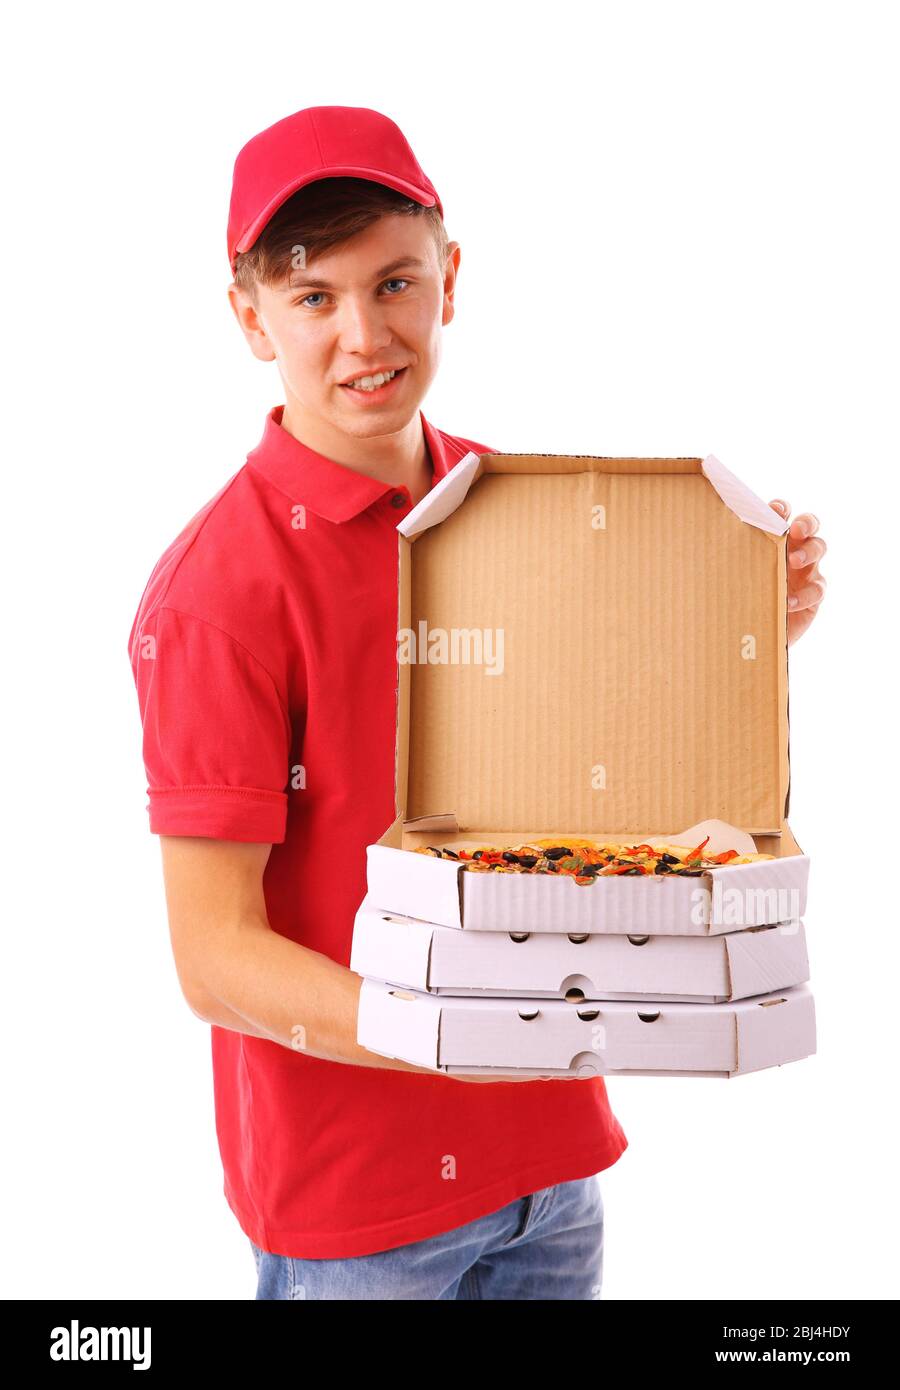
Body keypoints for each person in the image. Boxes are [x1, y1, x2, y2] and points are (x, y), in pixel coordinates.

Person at [127, 105, 827, 1302]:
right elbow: (213, 956)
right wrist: (465, 1027)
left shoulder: (505, 509)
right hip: (358, 1216)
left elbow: (594, 781)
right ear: (251, 317)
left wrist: (741, 653)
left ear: (450, 280)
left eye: (395, 281)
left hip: (552, 1172)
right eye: (313, 298)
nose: (363, 334)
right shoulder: (217, 593)